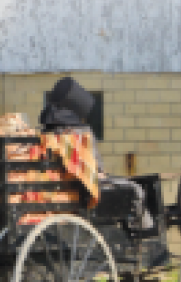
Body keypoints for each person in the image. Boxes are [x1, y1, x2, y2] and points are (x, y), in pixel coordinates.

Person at [40, 77, 154, 230]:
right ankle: (143, 231)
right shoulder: (81, 133)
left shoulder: (47, 133)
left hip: (59, 184)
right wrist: (98, 173)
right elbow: (97, 169)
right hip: (84, 187)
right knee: (136, 189)